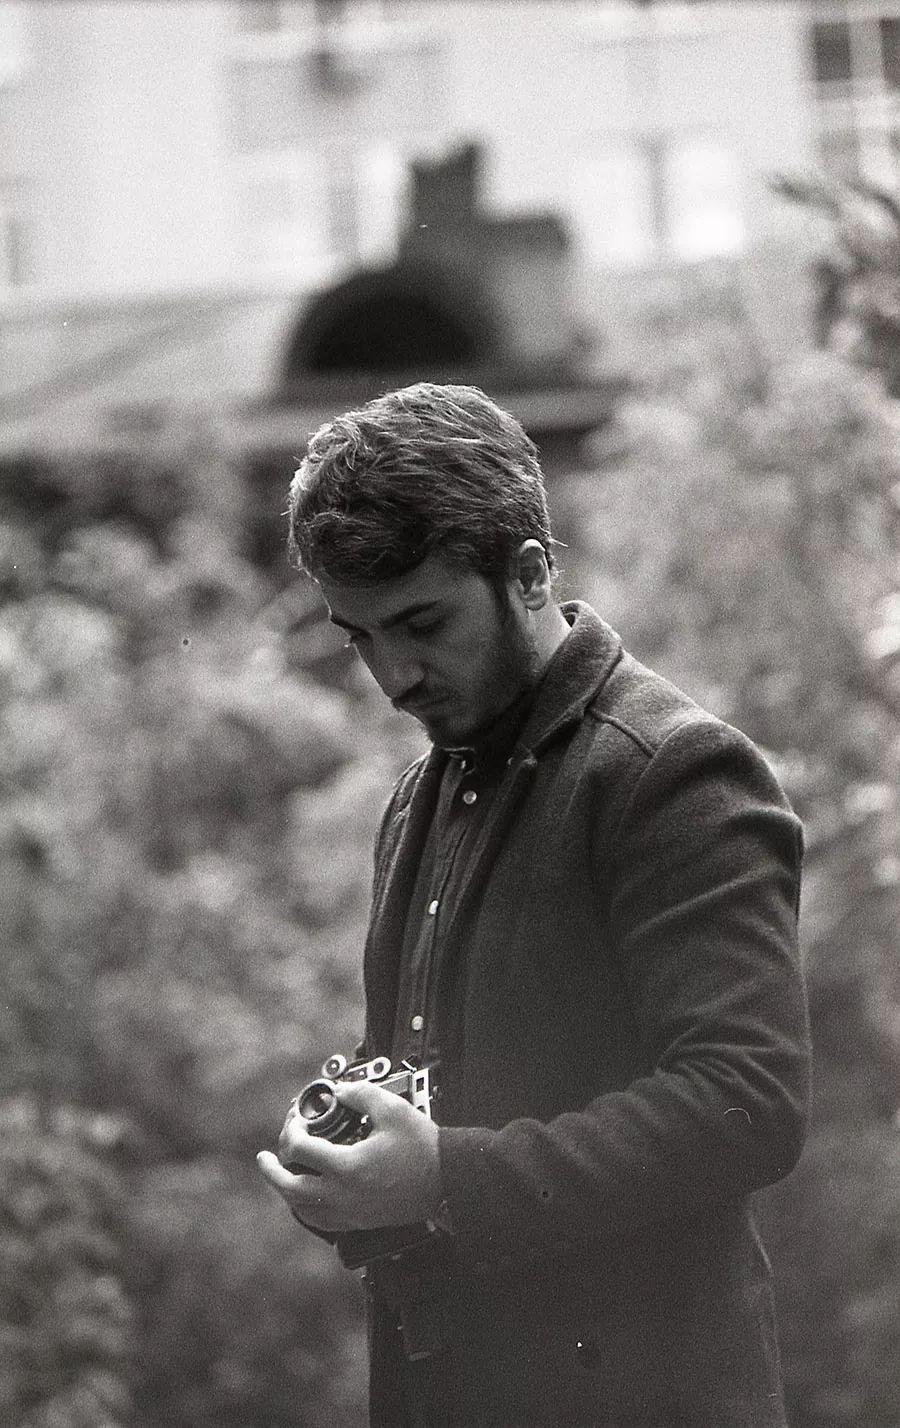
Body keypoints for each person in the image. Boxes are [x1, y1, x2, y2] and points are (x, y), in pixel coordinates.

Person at [257, 382, 812, 1428]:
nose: (394, 675)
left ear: (528, 573)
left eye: (422, 623)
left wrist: (442, 1180)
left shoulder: (671, 771)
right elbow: (444, 1084)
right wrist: (359, 1166)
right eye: (359, 636)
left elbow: (747, 1105)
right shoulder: (421, 794)